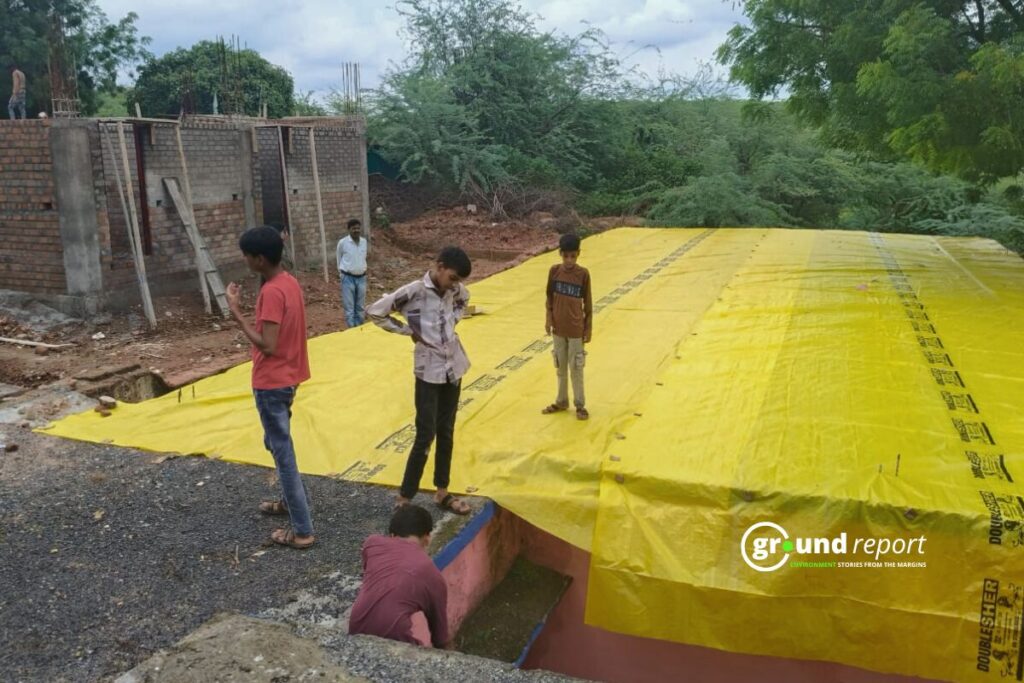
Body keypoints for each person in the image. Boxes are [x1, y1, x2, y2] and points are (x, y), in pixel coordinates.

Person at [226, 226, 315, 549]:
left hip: (271, 381)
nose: (245, 261)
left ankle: (302, 529)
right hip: (288, 378)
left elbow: (268, 345)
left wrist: (236, 312)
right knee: (274, 442)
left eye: (247, 256)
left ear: (260, 259)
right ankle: (290, 504)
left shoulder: (272, 293)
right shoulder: (288, 282)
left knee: (282, 453)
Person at [367, 247, 473, 515]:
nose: (454, 284)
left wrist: (451, 322)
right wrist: (407, 330)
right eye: (452, 277)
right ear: (438, 267)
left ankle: (442, 491)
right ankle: (405, 496)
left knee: (446, 431)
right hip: (428, 371)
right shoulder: (413, 291)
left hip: (453, 367)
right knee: (426, 433)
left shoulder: (455, 291)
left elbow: (464, 299)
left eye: (458, 280)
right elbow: (376, 312)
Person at [348, 504, 450, 648]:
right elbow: (441, 639)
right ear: (427, 538)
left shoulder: (371, 543)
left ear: (392, 535)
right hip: (394, 643)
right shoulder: (433, 576)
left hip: (354, 632)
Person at [542, 233, 593, 420]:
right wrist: (548, 319)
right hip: (558, 329)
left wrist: (588, 329)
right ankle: (562, 401)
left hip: (576, 330)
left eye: (573, 256)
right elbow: (549, 298)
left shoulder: (583, 274)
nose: (569, 260)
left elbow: (588, 304)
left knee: (576, 367)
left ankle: (580, 404)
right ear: (560, 254)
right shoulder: (554, 272)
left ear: (578, 254)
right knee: (560, 366)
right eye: (566, 256)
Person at [337, 218, 368, 328]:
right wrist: (341, 274)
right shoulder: (343, 243)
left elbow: (364, 258)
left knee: (360, 307)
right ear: (349, 230)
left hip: (362, 278)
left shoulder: (364, 242)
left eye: (358, 228)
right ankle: (351, 331)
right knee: (349, 308)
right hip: (348, 278)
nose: (356, 230)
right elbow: (338, 258)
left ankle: (360, 329)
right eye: (353, 228)